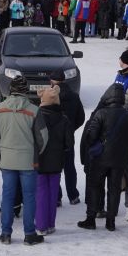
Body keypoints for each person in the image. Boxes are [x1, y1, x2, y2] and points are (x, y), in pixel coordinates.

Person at [0, 75, 48, 245]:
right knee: (29, 197)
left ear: (11, 89)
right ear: (25, 90)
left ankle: (5, 233)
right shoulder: (34, 110)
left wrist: (3, 148)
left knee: (7, 197)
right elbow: (42, 138)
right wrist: (35, 153)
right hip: (28, 161)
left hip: (7, 160)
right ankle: (29, 234)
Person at [78, 83, 128, 231]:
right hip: (120, 160)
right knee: (114, 189)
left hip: (100, 158)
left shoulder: (101, 113)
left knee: (94, 186)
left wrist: (94, 143)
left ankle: (91, 218)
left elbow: (91, 136)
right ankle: (110, 222)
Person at [35, 86, 73, 235]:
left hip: (40, 161)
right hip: (57, 162)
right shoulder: (64, 119)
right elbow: (69, 143)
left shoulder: (37, 117)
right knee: (52, 194)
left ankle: (41, 226)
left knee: (41, 194)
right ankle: (50, 224)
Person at [50, 70, 85, 205]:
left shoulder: (51, 96)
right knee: (70, 166)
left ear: (52, 81)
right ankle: (73, 195)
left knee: (54, 167)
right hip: (68, 136)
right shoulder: (74, 96)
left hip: (53, 138)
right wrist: (70, 128)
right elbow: (81, 117)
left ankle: (57, 197)